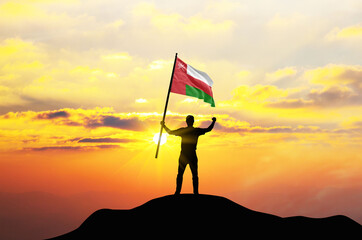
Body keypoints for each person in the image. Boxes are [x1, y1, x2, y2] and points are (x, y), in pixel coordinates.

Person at [161, 115, 216, 195]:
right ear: (192, 122)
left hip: (186, 155)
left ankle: (184, 192)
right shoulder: (195, 131)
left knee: (186, 174)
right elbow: (208, 129)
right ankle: (188, 192)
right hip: (188, 155)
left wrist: (163, 126)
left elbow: (170, 132)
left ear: (187, 122)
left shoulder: (189, 131)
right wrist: (213, 121)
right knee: (188, 175)